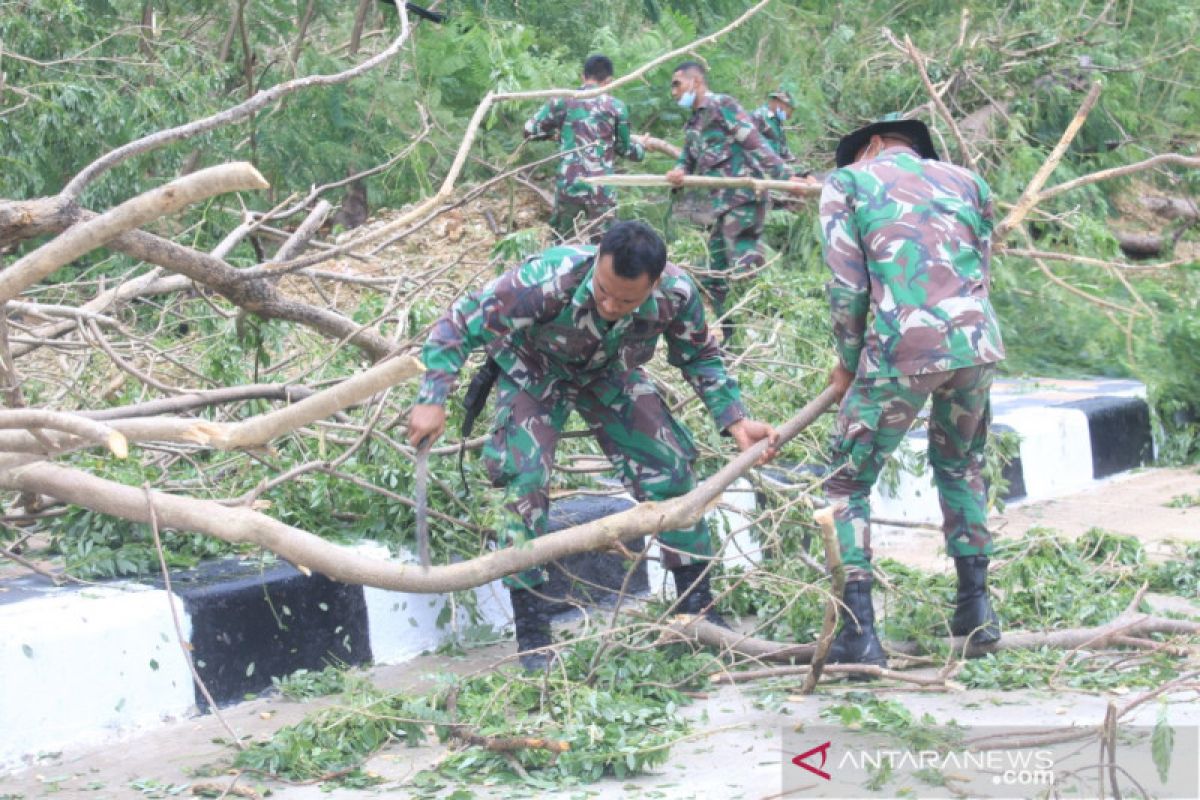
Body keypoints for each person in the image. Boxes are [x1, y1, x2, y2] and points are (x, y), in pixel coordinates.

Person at [408, 220, 778, 670]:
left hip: (611, 373)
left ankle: (696, 609)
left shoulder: (676, 294)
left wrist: (735, 419)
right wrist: (432, 399)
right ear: (596, 262)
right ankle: (533, 638)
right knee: (523, 483)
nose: (609, 305)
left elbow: (699, 355)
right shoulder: (546, 280)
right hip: (535, 370)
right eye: (603, 291)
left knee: (672, 472)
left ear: (654, 284)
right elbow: (457, 323)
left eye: (626, 300)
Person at [817, 116, 1005, 666]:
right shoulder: (969, 182)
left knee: (845, 482)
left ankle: (859, 635)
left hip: (903, 348)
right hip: (976, 343)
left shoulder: (848, 183)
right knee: (960, 464)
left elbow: (847, 285)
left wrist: (849, 362)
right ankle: (976, 610)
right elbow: (983, 270)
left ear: (872, 147)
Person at [665, 62, 816, 340]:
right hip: (720, 207)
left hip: (744, 201)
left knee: (743, 269)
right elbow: (688, 156)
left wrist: (786, 177)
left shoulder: (722, 104)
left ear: (695, 82)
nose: (673, 92)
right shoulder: (694, 122)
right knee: (718, 274)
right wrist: (679, 171)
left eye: (677, 84)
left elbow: (754, 142)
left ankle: (767, 333)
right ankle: (733, 339)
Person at [523, 54, 646, 242]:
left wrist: (554, 135)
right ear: (609, 81)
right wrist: (641, 148)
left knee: (563, 244)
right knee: (605, 249)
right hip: (602, 189)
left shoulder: (562, 101)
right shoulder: (616, 107)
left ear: (583, 76)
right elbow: (625, 149)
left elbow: (529, 130)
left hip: (569, 185)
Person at [750, 88, 796, 162]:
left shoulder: (776, 122)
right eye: (788, 108)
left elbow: (784, 151)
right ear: (777, 102)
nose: (790, 115)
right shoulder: (758, 116)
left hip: (774, 166)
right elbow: (750, 145)